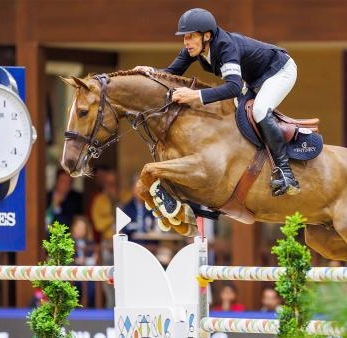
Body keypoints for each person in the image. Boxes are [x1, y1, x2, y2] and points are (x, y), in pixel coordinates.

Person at [133, 8, 299, 196]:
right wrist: (149, 71)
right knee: (235, 113)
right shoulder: (193, 49)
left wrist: (194, 95)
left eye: (191, 36)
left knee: (260, 110)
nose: (186, 42)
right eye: (184, 37)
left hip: (279, 70)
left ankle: (286, 173)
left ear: (207, 36)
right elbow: (172, 72)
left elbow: (233, 87)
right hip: (254, 78)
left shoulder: (225, 47)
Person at [91, 169, 119, 307]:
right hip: (107, 245)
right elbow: (98, 224)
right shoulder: (99, 201)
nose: (111, 186)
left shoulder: (122, 198)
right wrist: (113, 218)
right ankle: (109, 312)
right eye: (109, 183)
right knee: (109, 281)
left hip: (122, 244)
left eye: (114, 183)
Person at [121, 175, 158, 247]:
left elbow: (156, 224)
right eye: (137, 188)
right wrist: (135, 226)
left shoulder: (152, 205)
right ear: (132, 189)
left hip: (150, 245)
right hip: (133, 244)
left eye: (143, 188)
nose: (140, 191)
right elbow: (125, 229)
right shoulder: (127, 207)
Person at [72, 215, 98, 307]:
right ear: (74, 228)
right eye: (79, 227)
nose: (81, 230)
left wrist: (87, 260)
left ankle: (89, 308)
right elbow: (67, 259)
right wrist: (76, 261)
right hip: (74, 273)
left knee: (92, 287)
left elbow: (94, 258)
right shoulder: (69, 242)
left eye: (83, 228)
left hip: (87, 272)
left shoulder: (90, 242)